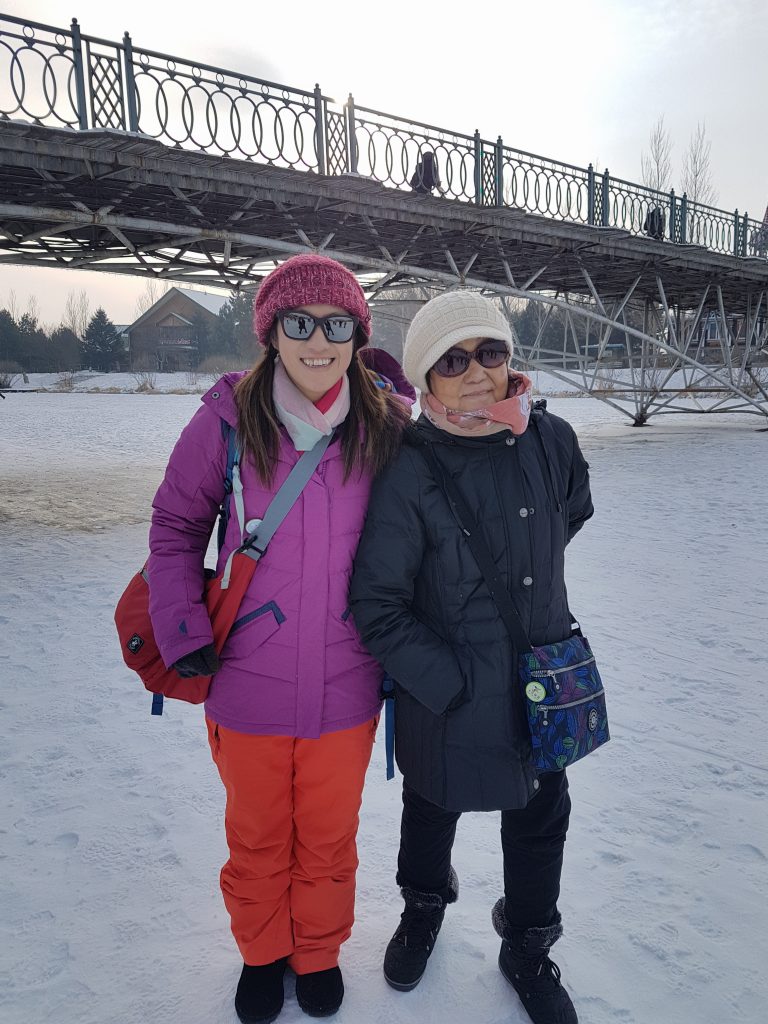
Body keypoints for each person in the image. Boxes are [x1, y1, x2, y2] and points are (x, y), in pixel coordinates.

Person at [147, 254, 411, 1024]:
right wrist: (182, 625)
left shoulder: (390, 426)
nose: (318, 341)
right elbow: (175, 527)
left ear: (358, 333)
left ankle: (319, 952)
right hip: (246, 679)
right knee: (259, 836)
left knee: (328, 839)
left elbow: (442, 519)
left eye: (336, 325)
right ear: (271, 332)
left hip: (349, 681)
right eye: (299, 323)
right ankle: (262, 954)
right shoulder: (225, 420)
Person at [349, 290, 594, 1024]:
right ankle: (424, 908)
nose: (477, 372)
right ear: (425, 380)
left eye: (490, 352)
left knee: (541, 813)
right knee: (430, 807)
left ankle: (526, 942)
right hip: (448, 693)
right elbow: (376, 604)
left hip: (539, 681)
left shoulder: (552, 441)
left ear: (510, 359)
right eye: (452, 360)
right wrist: (447, 681)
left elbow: (569, 514)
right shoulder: (409, 467)